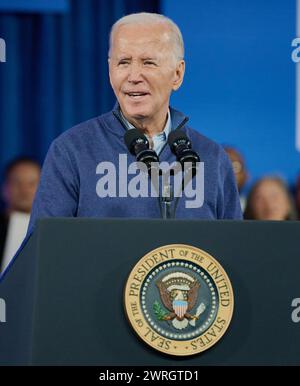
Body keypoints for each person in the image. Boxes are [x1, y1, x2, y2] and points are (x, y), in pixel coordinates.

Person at [27, 12, 242, 236]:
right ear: (111, 72)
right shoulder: (72, 151)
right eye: (123, 62)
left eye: (148, 63)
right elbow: (42, 254)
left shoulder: (212, 158)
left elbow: (234, 254)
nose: (134, 76)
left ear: (177, 74)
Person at [0, 157, 41, 271]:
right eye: (17, 182)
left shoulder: (52, 230)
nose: (25, 190)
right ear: (4, 189)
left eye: (32, 183)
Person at [224, 146, 248, 212]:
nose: (229, 172)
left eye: (235, 166)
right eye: (222, 166)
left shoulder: (254, 210)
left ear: (246, 175)